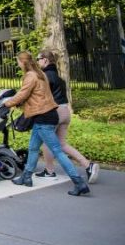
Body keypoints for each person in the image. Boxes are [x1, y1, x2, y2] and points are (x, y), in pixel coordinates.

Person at [3, 51, 90, 196]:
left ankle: (79, 182)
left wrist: (7, 103)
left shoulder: (31, 76)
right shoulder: (40, 74)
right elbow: (37, 95)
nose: (18, 64)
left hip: (43, 118)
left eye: (18, 61)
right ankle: (26, 176)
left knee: (57, 151)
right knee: (33, 147)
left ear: (23, 62)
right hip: (45, 115)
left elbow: (23, 94)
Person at [36, 50, 99, 182]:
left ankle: (49, 170)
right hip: (65, 111)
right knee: (62, 144)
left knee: (47, 142)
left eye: (39, 59)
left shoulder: (45, 76)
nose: (37, 62)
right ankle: (88, 165)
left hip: (55, 112)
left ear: (46, 60)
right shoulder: (59, 78)